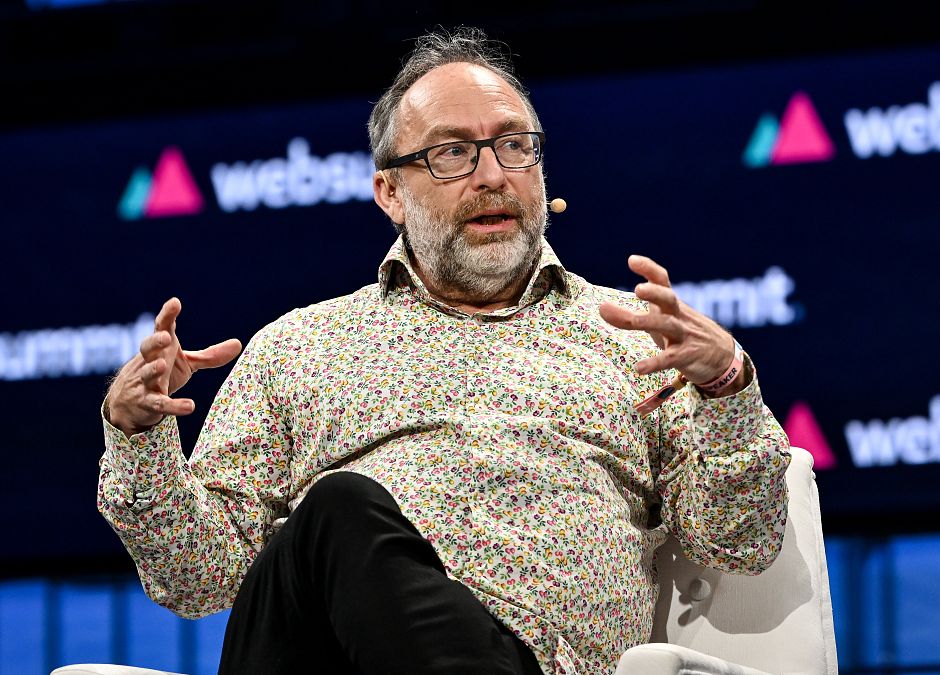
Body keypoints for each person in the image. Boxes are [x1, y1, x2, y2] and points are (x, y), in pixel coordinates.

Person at [98, 25, 791, 675]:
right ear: (389, 192)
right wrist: (137, 437)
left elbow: (741, 542)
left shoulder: (630, 333)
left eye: (514, 145)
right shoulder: (299, 349)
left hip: (537, 662)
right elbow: (200, 578)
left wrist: (728, 384)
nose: (492, 175)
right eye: (452, 152)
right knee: (337, 512)